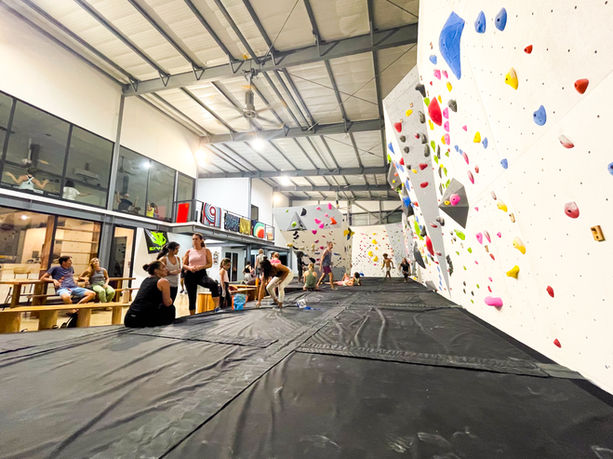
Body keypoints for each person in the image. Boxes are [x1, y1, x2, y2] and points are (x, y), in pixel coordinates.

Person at [124, 261, 175, 328]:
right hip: (140, 319)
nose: (166, 269)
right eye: (163, 267)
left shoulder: (146, 280)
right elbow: (167, 303)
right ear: (156, 270)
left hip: (129, 319)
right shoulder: (163, 281)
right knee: (171, 308)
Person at [182, 233, 220, 314]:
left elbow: (210, 264)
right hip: (190, 274)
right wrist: (190, 268)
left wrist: (200, 267)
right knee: (192, 297)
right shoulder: (189, 251)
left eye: (196, 239)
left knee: (213, 284)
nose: (194, 241)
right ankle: (192, 315)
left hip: (201, 274)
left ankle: (216, 306)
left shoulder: (206, 251)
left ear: (201, 240)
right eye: (193, 239)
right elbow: (184, 265)